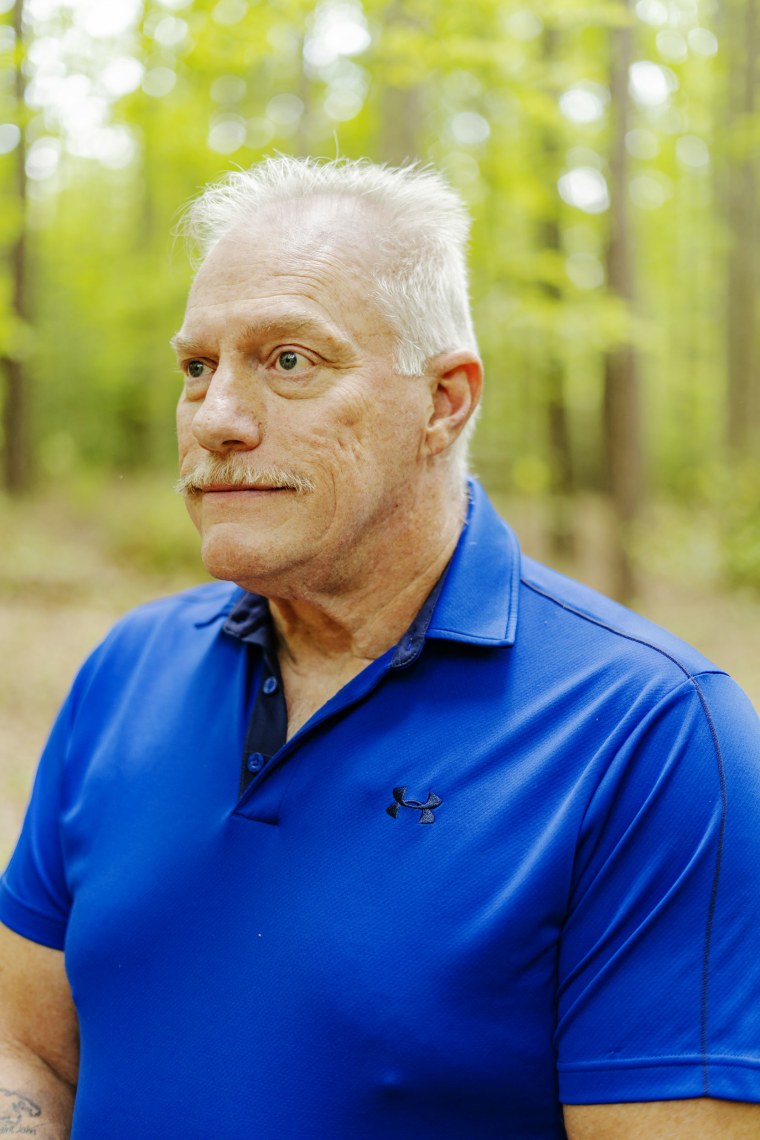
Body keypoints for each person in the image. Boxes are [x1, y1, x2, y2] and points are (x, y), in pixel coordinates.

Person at [0, 156, 758, 1140]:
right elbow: (31, 1046)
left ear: (445, 401)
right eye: (197, 367)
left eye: (289, 362)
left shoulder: (655, 735)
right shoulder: (128, 668)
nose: (217, 419)